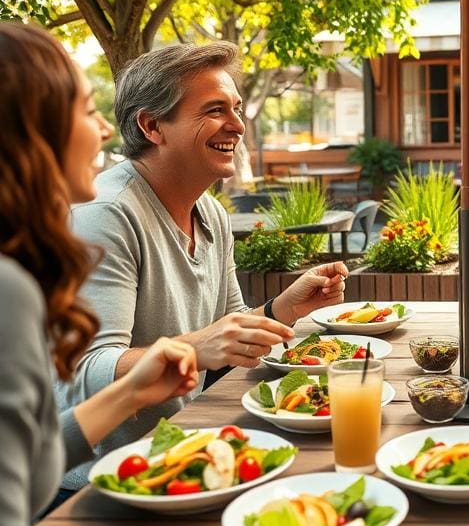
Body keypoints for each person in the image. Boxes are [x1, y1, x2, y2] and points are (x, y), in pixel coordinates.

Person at [56, 42, 348, 491]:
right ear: (152, 126)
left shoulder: (209, 212)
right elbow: (87, 369)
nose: (236, 125)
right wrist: (195, 346)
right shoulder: (107, 214)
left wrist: (282, 310)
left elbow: (225, 333)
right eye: (215, 110)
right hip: (103, 484)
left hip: (184, 459)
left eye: (236, 108)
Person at [0, 23, 200, 526]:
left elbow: (23, 459)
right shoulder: (9, 290)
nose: (104, 133)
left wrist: (131, 393)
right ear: (32, 132)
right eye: (87, 111)